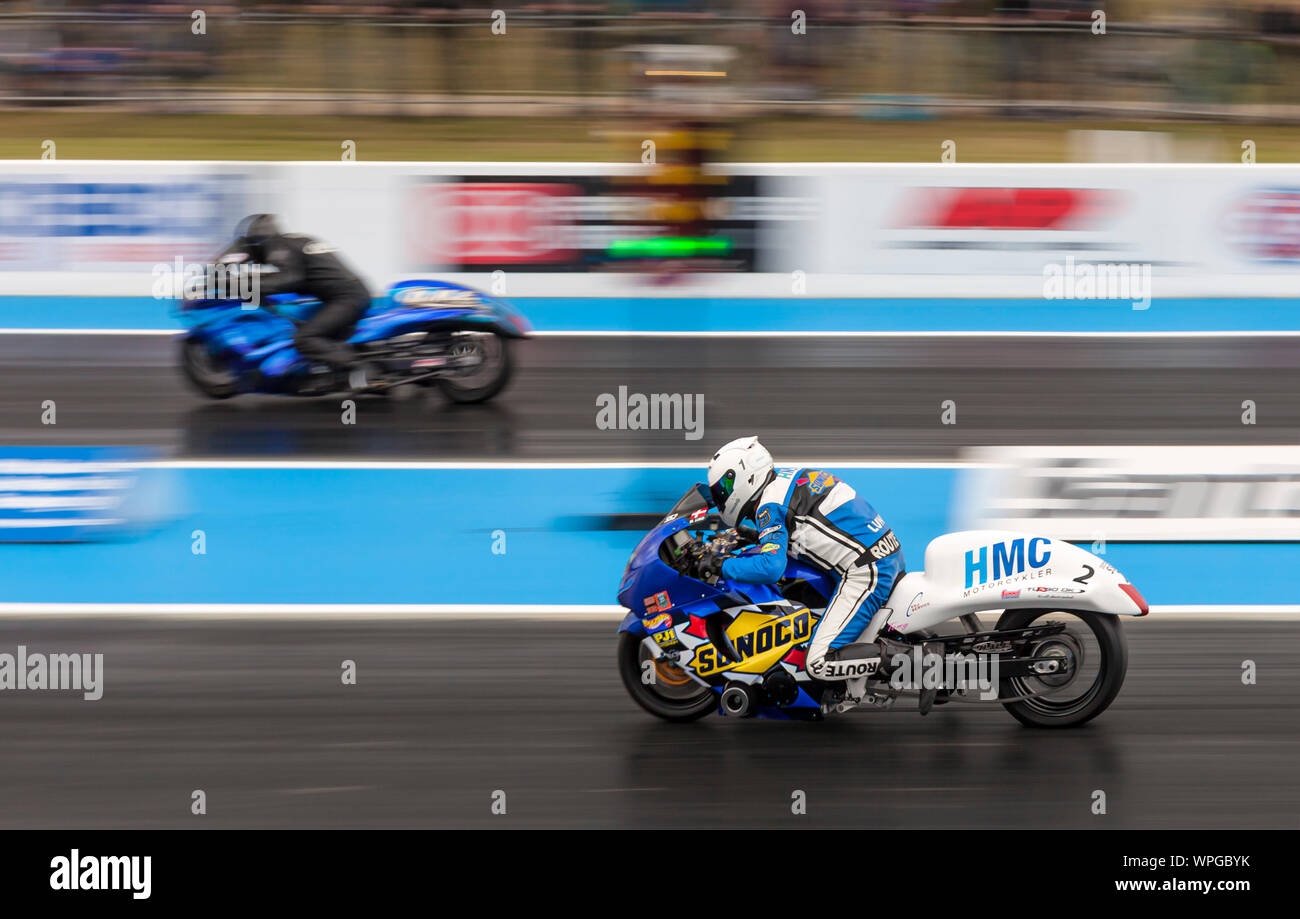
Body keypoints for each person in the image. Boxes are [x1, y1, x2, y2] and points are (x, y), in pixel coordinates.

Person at [704, 435, 906, 707]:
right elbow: (800, 529)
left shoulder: (768, 506)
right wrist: (753, 537)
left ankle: (911, 664)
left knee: (819, 662)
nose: (722, 496)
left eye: (724, 488)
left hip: (867, 570)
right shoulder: (783, 478)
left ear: (744, 476)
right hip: (884, 552)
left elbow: (770, 567)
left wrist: (720, 565)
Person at [216, 214, 377, 388]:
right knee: (302, 324)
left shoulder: (279, 248)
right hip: (346, 293)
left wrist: (243, 284)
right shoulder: (295, 242)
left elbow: (290, 279)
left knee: (305, 339)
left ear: (258, 240)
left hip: (347, 298)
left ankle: (358, 368)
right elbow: (291, 274)